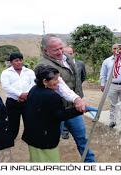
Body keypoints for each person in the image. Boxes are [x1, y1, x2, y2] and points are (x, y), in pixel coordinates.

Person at [37, 34, 95, 162]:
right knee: (50, 142)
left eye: (60, 48)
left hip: (73, 108)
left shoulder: (68, 57)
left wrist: (78, 98)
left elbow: (77, 79)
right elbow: (60, 86)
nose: (60, 52)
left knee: (82, 139)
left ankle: (91, 164)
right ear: (46, 50)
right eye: (55, 50)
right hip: (55, 111)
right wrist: (76, 99)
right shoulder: (43, 66)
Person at [22, 65, 83, 162]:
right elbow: (60, 115)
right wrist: (78, 110)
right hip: (45, 139)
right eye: (55, 79)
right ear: (45, 81)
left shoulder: (34, 90)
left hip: (33, 136)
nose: (58, 82)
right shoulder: (52, 96)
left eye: (58, 78)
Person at [0, 52, 36, 141]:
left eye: (20, 60)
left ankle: (28, 138)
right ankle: (10, 139)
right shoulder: (6, 73)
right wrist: (20, 94)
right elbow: (6, 86)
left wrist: (26, 94)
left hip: (28, 101)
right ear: (11, 62)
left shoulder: (29, 72)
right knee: (13, 122)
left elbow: (34, 83)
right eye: (16, 61)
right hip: (13, 102)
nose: (19, 62)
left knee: (29, 120)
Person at [100, 44, 121, 128]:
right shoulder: (107, 61)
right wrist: (103, 84)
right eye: (114, 48)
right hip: (112, 85)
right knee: (113, 104)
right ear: (112, 50)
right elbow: (103, 74)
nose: (116, 50)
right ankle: (112, 120)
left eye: (118, 48)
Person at [61, 46, 87, 139]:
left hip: (78, 93)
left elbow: (83, 77)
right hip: (64, 94)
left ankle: (78, 131)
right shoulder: (61, 64)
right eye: (66, 53)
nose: (68, 55)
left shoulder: (80, 64)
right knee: (65, 110)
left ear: (74, 54)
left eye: (70, 53)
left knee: (77, 110)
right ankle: (64, 131)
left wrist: (77, 86)